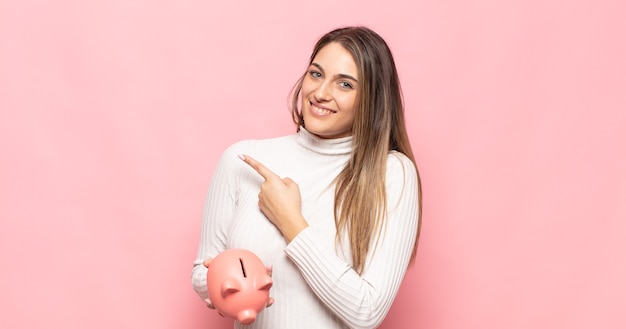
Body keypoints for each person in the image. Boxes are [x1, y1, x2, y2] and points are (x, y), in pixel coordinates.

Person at [191, 26, 422, 329]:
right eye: (316, 74)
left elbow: (366, 312)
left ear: (372, 99)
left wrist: (291, 223)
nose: (321, 93)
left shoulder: (391, 173)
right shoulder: (242, 161)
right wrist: (227, 285)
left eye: (344, 84)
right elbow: (202, 271)